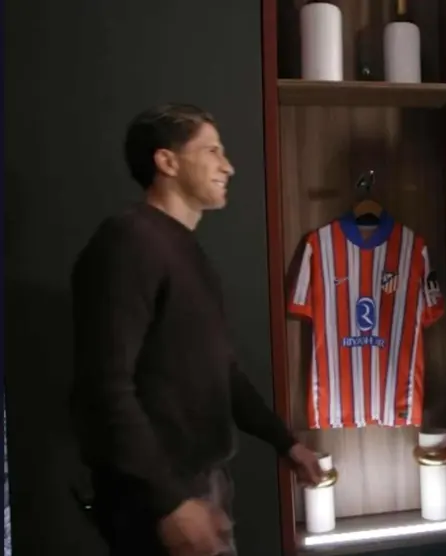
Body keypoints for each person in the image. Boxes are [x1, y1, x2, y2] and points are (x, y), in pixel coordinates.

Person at [70, 104, 324, 556]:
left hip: (201, 487)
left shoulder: (187, 252)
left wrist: (286, 444)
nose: (228, 166)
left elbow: (221, 372)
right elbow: (104, 387)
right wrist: (169, 503)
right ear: (167, 161)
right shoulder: (129, 241)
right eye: (212, 150)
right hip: (157, 501)